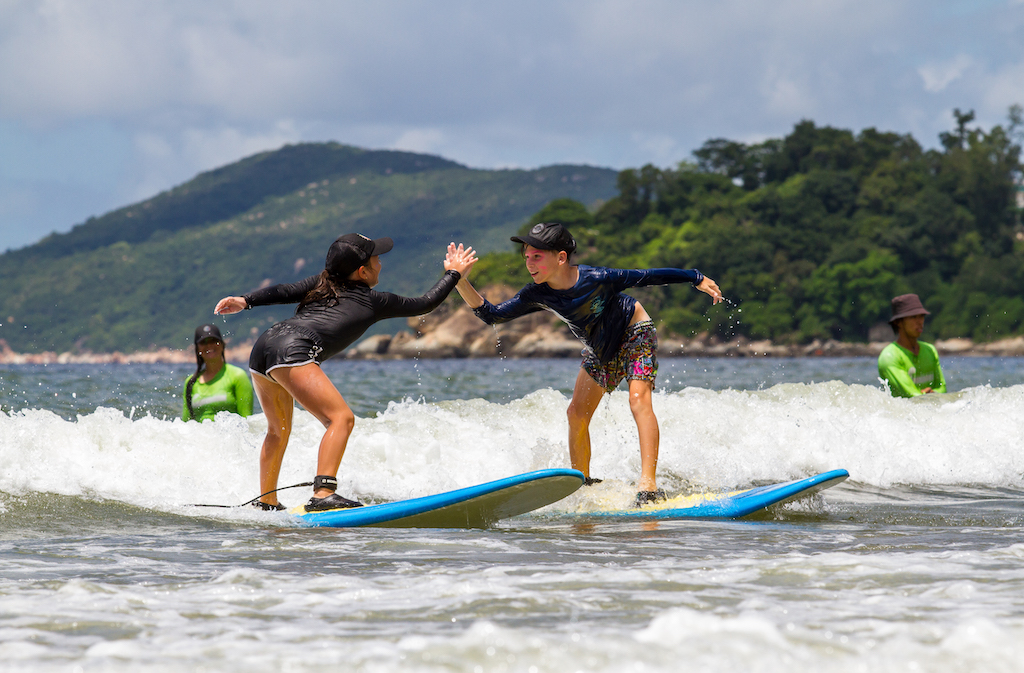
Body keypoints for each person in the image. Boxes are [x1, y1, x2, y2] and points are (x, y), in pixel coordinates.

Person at [449, 222, 723, 506]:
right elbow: (492, 315)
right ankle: (583, 482)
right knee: (576, 413)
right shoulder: (537, 293)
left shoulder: (598, 277)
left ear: (561, 257)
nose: (529, 263)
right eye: (527, 256)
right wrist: (459, 280)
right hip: (600, 350)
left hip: (634, 332)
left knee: (638, 400)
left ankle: (648, 487)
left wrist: (695, 277)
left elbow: (647, 276)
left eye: (537, 256)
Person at [214, 233, 477, 512]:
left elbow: (283, 290)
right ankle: (323, 493)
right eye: (377, 259)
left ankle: (266, 501)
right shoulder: (375, 301)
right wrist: (453, 274)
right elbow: (425, 303)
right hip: (293, 350)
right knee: (341, 418)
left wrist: (246, 300)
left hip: (265, 346)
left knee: (277, 430)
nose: (380, 264)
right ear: (363, 272)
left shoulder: (320, 282)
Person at [878, 293, 946, 398]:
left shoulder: (930, 350)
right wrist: (929, 395)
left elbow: (943, 388)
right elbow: (911, 396)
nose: (920, 322)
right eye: (913, 317)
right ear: (898, 322)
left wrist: (934, 394)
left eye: (921, 316)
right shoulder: (889, 356)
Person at [182, 324, 254, 422]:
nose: (209, 345)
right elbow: (185, 425)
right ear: (197, 349)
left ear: (222, 344)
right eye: (203, 342)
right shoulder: (190, 382)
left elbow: (247, 420)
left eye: (213, 341)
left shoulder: (238, 376)